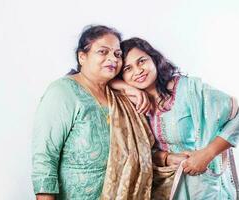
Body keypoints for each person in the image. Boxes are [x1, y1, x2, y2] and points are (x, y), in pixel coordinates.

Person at [111, 37, 239, 199]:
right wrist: (166, 158)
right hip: (163, 190)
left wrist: (207, 154)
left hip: (204, 187)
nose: (138, 71)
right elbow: (136, 150)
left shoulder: (188, 90)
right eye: (128, 69)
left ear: (154, 59)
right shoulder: (131, 105)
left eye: (141, 61)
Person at [31, 26, 154, 200]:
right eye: (103, 52)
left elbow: (142, 152)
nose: (112, 58)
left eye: (117, 54)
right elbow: (45, 157)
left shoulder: (121, 97)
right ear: (82, 57)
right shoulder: (63, 92)